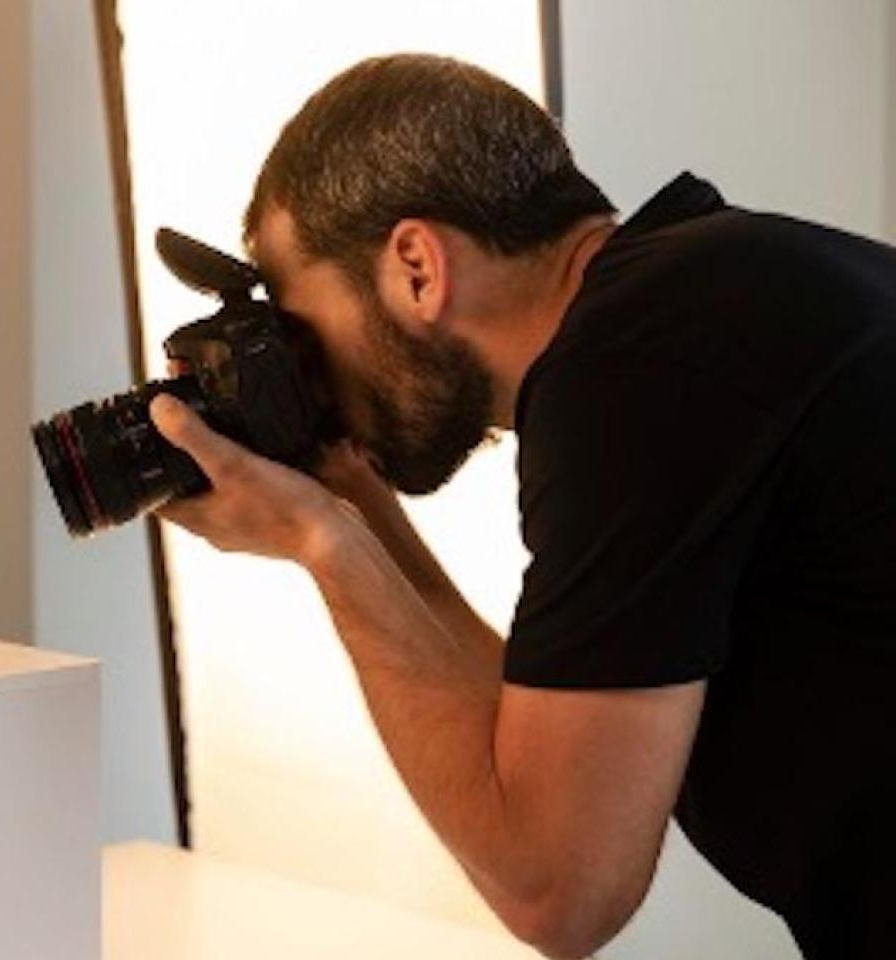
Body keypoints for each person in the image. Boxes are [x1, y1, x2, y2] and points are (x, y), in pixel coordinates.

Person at [149, 54, 895, 959]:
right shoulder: (703, 290)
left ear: (416, 268)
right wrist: (345, 501)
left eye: (303, 331)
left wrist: (321, 545)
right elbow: (529, 757)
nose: (312, 380)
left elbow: (559, 890)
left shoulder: (631, 370)